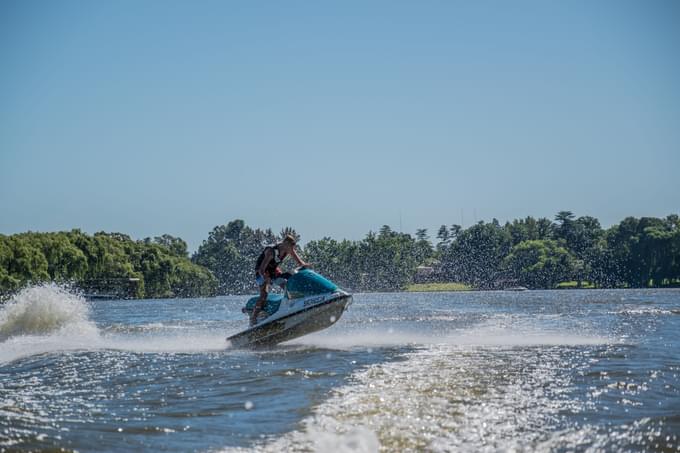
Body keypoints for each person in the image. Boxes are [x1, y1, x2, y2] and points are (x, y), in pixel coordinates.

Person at [251, 234, 309, 325]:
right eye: (291, 247)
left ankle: (290, 305)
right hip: (261, 272)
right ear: (285, 243)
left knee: (287, 284)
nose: (292, 250)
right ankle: (253, 317)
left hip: (273, 270)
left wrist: (305, 266)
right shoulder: (271, 251)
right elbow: (262, 269)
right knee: (264, 294)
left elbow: (300, 262)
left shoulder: (289, 249)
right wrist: (267, 279)